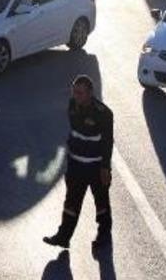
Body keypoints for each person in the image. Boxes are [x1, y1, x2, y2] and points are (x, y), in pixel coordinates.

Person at [43, 75, 114, 250]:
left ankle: (103, 234)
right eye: (74, 91)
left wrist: (105, 168)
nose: (76, 96)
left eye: (80, 93)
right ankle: (63, 236)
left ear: (90, 93)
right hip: (75, 165)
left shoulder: (103, 114)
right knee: (71, 202)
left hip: (96, 167)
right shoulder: (72, 105)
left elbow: (107, 142)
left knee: (101, 203)